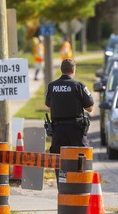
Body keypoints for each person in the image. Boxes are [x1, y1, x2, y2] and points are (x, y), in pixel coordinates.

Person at [45, 58, 94, 189]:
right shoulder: (78, 85)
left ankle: (63, 187)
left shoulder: (52, 86)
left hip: (58, 130)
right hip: (76, 130)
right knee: (82, 157)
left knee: (60, 160)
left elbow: (49, 106)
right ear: (73, 70)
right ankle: (80, 187)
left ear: (62, 70)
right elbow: (90, 107)